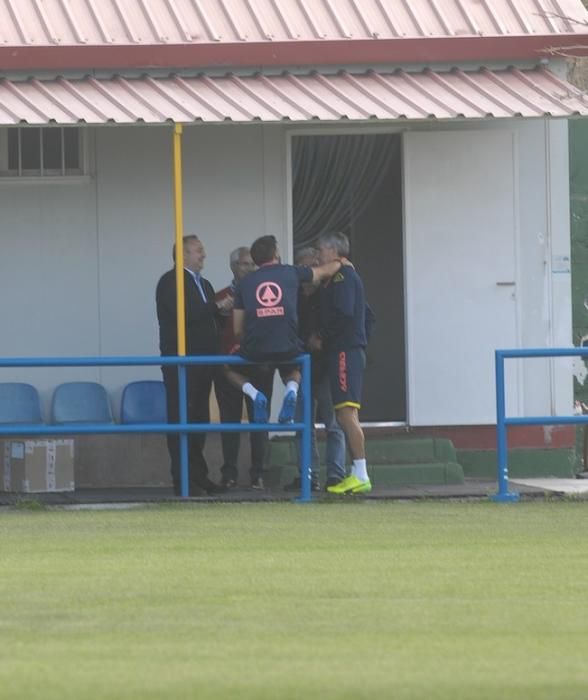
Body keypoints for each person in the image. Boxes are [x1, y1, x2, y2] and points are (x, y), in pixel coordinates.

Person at [226, 235, 348, 488]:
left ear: (257, 259)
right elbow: (323, 271)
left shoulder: (246, 283)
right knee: (294, 368)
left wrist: (252, 338)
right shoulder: (291, 273)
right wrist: (341, 262)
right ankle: (291, 390)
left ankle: (254, 393)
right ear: (276, 253)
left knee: (227, 367)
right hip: (288, 345)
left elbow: (237, 328)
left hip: (256, 347)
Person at [156, 235, 232, 496]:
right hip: (182, 363)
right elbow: (185, 314)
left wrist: (221, 313)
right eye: (199, 250)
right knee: (182, 421)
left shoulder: (205, 284)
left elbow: (207, 318)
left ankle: (199, 476)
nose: (204, 255)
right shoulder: (171, 282)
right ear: (183, 253)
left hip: (204, 363)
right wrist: (215, 306)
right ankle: (183, 480)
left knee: (199, 420)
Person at [311, 231, 374, 495]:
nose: (317, 256)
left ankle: (360, 473)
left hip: (344, 353)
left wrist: (322, 337)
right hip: (345, 351)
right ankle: (356, 472)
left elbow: (344, 313)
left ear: (335, 252)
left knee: (347, 413)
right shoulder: (337, 278)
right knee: (344, 413)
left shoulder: (344, 278)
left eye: (321, 250)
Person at [285, 246, 346, 493]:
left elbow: (345, 321)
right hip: (301, 369)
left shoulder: (331, 293)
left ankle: (336, 474)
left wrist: (322, 338)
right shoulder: (292, 295)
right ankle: (308, 476)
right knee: (303, 426)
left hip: (327, 367)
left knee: (334, 424)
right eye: (308, 267)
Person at [214, 246, 267, 488]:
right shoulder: (220, 297)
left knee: (259, 420)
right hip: (228, 368)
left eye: (253, 264)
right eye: (245, 264)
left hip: (258, 365)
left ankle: (258, 473)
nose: (250, 268)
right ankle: (230, 473)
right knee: (230, 421)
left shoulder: (264, 295)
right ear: (233, 267)